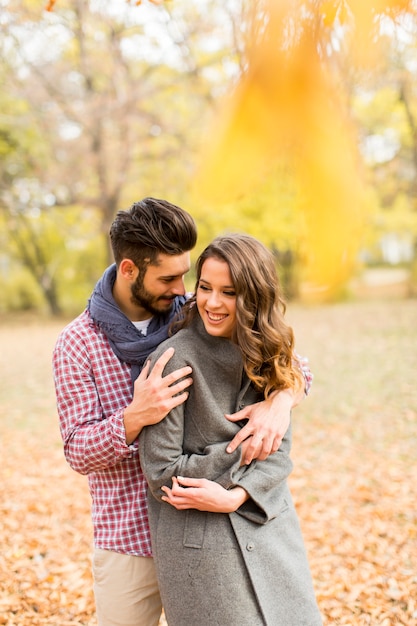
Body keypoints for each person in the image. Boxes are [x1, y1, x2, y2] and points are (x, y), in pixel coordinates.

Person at [52, 198, 312, 626]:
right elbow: (78, 451)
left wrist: (279, 404)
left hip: (210, 529)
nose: (182, 289)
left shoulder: (193, 311)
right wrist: (135, 416)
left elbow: (291, 365)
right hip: (129, 535)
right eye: (170, 278)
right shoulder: (79, 344)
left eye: (185, 276)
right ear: (130, 270)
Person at [139, 233, 322, 626]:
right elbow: (161, 472)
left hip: (269, 527)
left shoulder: (272, 353)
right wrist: (240, 454)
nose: (213, 302)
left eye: (230, 292)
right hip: (200, 547)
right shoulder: (173, 361)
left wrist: (237, 495)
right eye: (205, 288)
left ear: (255, 297)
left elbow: (280, 456)